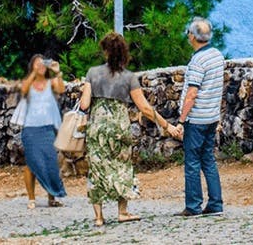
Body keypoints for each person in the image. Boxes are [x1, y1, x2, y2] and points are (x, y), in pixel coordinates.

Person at [79, 31, 179, 227]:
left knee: (97, 167)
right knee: (122, 166)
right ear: (123, 52)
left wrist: (85, 91)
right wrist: (167, 125)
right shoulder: (129, 77)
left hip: (97, 126)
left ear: (105, 51)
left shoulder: (92, 73)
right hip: (119, 126)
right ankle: (122, 212)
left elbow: (84, 105)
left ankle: (99, 217)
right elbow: (144, 108)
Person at [174, 16, 225, 217]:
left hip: (196, 120)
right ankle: (215, 203)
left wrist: (181, 120)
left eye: (189, 32)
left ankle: (193, 206)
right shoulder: (217, 56)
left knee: (192, 163)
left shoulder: (197, 61)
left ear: (193, 36)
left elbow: (192, 94)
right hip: (212, 117)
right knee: (208, 161)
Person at [19, 54, 68, 209]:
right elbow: (23, 90)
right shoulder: (28, 83)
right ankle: (31, 198)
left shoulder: (51, 82)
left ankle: (51, 197)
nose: (40, 66)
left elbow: (61, 89)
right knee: (31, 164)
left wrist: (57, 72)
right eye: (37, 63)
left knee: (50, 162)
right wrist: (34, 72)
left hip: (48, 128)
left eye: (42, 64)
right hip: (30, 128)